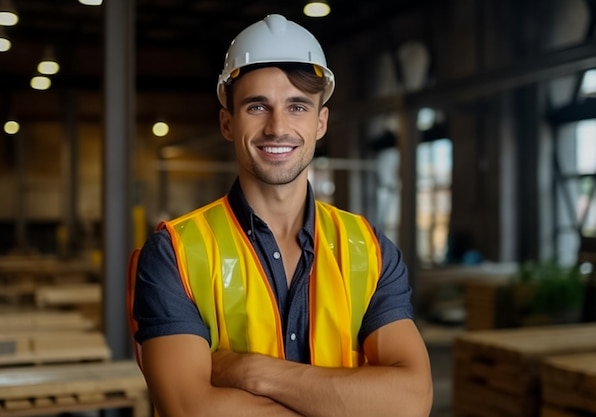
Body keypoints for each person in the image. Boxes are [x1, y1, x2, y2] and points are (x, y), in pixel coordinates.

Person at [131, 13, 433, 417]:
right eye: (257, 106)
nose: (278, 127)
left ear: (320, 121)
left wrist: (252, 372)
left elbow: (412, 401)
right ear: (227, 122)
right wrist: (350, 404)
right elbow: (191, 410)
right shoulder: (176, 254)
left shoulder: (368, 249)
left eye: (297, 106)